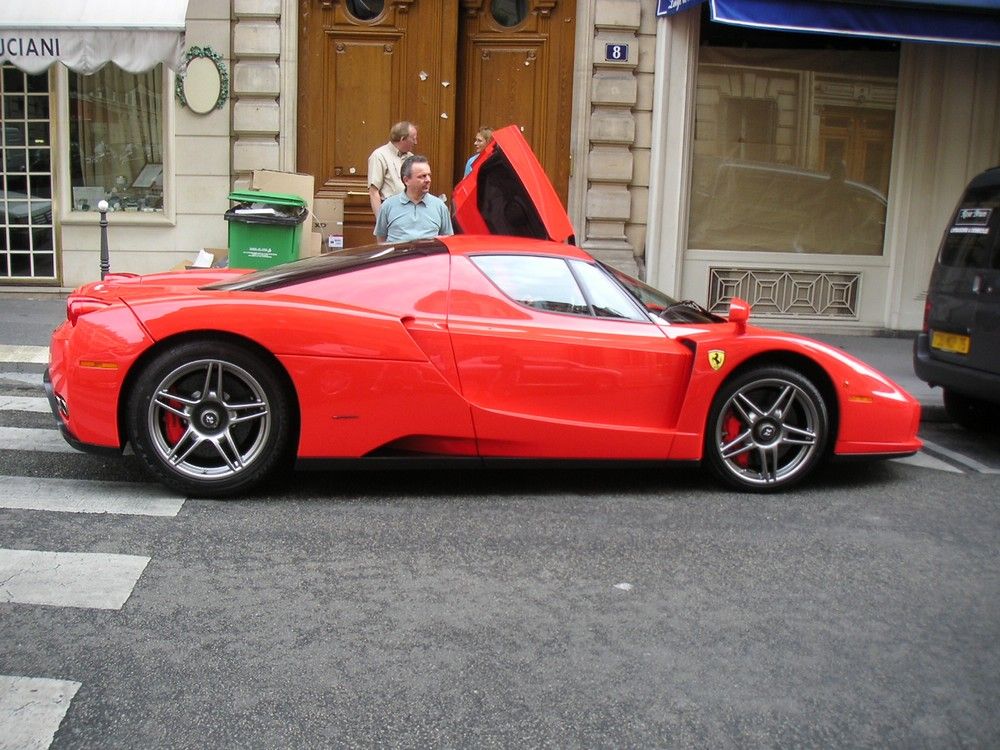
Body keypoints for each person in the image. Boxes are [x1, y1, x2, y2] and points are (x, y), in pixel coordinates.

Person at [374, 155, 453, 243]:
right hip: (399, 255)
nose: (428, 180)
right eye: (422, 176)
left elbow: (447, 240)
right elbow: (381, 240)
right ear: (406, 180)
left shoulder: (440, 206)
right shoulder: (388, 206)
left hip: (429, 255)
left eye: (428, 175)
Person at [368, 121, 418, 216]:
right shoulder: (379, 155)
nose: (415, 143)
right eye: (413, 139)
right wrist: (380, 222)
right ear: (403, 139)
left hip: (410, 211)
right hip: (391, 210)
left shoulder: (411, 157)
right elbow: (374, 191)